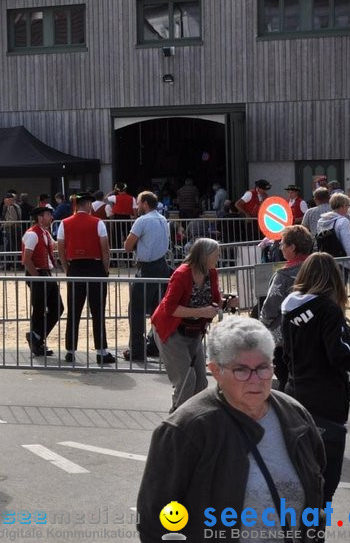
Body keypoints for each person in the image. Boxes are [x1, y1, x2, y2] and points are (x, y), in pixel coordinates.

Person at [136, 317, 325, 542]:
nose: (256, 380)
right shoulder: (185, 430)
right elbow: (154, 521)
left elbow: (317, 495)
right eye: (241, 370)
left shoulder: (295, 416)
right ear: (216, 371)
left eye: (263, 367)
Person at [281, 252, 350, 503]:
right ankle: (313, 532)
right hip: (325, 399)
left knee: (298, 473)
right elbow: (339, 355)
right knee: (325, 482)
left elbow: (284, 353)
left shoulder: (289, 306)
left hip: (296, 394)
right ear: (333, 277)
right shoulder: (327, 309)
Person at [150, 238, 237, 412]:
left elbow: (213, 301)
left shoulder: (211, 273)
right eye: (216, 254)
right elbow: (170, 308)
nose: (218, 258)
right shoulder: (182, 274)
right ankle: (177, 420)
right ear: (204, 256)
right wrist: (201, 312)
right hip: (172, 331)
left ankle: (191, 419)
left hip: (194, 332)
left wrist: (228, 303)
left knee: (201, 383)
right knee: (186, 381)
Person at [57, 192, 114, 364]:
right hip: (95, 267)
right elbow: (105, 249)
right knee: (98, 310)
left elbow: (60, 249)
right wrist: (105, 269)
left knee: (74, 310)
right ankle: (101, 351)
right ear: (88, 205)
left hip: (75, 267)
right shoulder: (98, 223)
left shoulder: (64, 223)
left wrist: (68, 268)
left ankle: (70, 350)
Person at [259, 225, 313, 389]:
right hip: (314, 334)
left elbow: (271, 307)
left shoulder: (283, 275)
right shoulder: (319, 268)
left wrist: (262, 322)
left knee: (287, 382)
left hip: (286, 337)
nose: (280, 247)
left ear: (292, 247)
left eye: (283, 243)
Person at [123, 191, 171, 362]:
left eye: (138, 203)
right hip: (162, 266)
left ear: (144, 204)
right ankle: (154, 345)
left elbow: (128, 245)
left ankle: (137, 349)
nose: (136, 206)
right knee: (158, 309)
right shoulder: (163, 219)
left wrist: (136, 245)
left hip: (147, 268)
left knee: (136, 309)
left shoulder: (142, 221)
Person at [20, 205, 63, 357]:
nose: (51, 218)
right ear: (40, 217)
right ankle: (36, 341)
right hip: (38, 273)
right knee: (39, 309)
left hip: (45, 273)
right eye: (48, 215)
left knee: (57, 307)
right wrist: (37, 277)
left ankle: (36, 337)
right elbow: (26, 259)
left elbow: (54, 245)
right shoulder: (33, 234)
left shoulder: (44, 232)